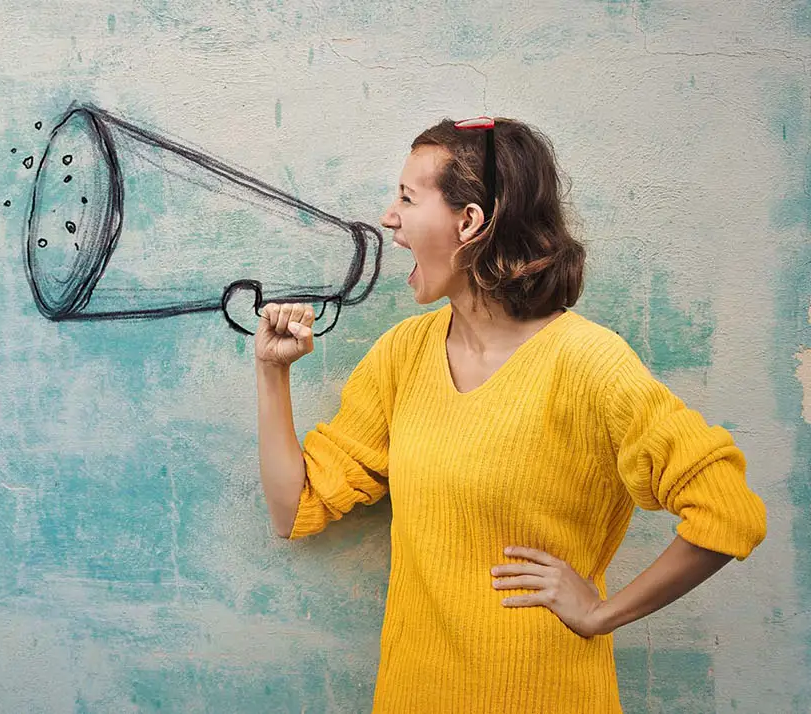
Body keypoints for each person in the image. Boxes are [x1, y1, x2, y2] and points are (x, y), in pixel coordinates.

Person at [254, 116, 767, 712]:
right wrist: (273, 371)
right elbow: (294, 508)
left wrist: (601, 613)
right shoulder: (403, 354)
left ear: (469, 222)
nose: (389, 218)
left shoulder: (588, 362)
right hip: (415, 694)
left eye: (406, 198)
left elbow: (728, 512)